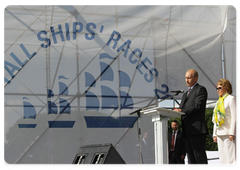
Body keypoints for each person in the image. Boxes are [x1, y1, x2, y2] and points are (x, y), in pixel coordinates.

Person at [174, 69, 208, 165]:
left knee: (199, 157)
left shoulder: (200, 90)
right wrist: (175, 111)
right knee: (191, 159)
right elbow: (181, 108)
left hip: (196, 130)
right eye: (185, 78)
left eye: (189, 78)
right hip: (187, 130)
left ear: (196, 78)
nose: (187, 80)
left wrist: (181, 110)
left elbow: (197, 106)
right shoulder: (185, 94)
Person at [212, 79, 237, 165]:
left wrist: (232, 132)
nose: (218, 90)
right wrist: (214, 134)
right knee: (222, 157)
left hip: (228, 133)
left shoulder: (231, 99)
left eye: (220, 88)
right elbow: (215, 119)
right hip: (219, 133)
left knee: (231, 157)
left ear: (226, 88)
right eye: (217, 88)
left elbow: (235, 117)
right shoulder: (218, 102)